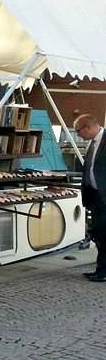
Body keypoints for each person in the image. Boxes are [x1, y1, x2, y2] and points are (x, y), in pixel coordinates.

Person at [75, 114, 106, 281]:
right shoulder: (92, 143)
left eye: (78, 131)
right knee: (98, 233)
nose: (78, 135)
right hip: (94, 195)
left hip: (104, 196)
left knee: (104, 233)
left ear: (87, 127)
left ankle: (103, 272)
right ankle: (100, 269)